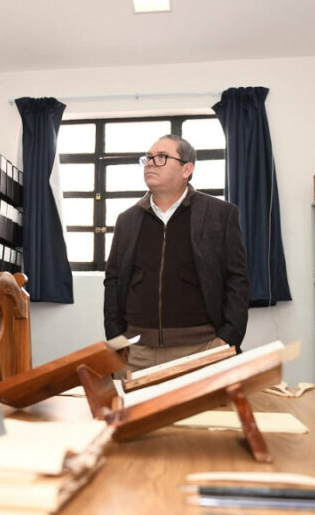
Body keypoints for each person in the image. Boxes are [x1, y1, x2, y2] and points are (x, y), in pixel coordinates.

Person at [104, 134, 249, 372]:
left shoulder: (220, 214)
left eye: (161, 157)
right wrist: (116, 340)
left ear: (186, 169)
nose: (150, 163)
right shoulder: (127, 220)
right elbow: (113, 280)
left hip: (202, 349)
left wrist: (227, 338)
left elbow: (238, 279)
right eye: (148, 158)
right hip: (136, 353)